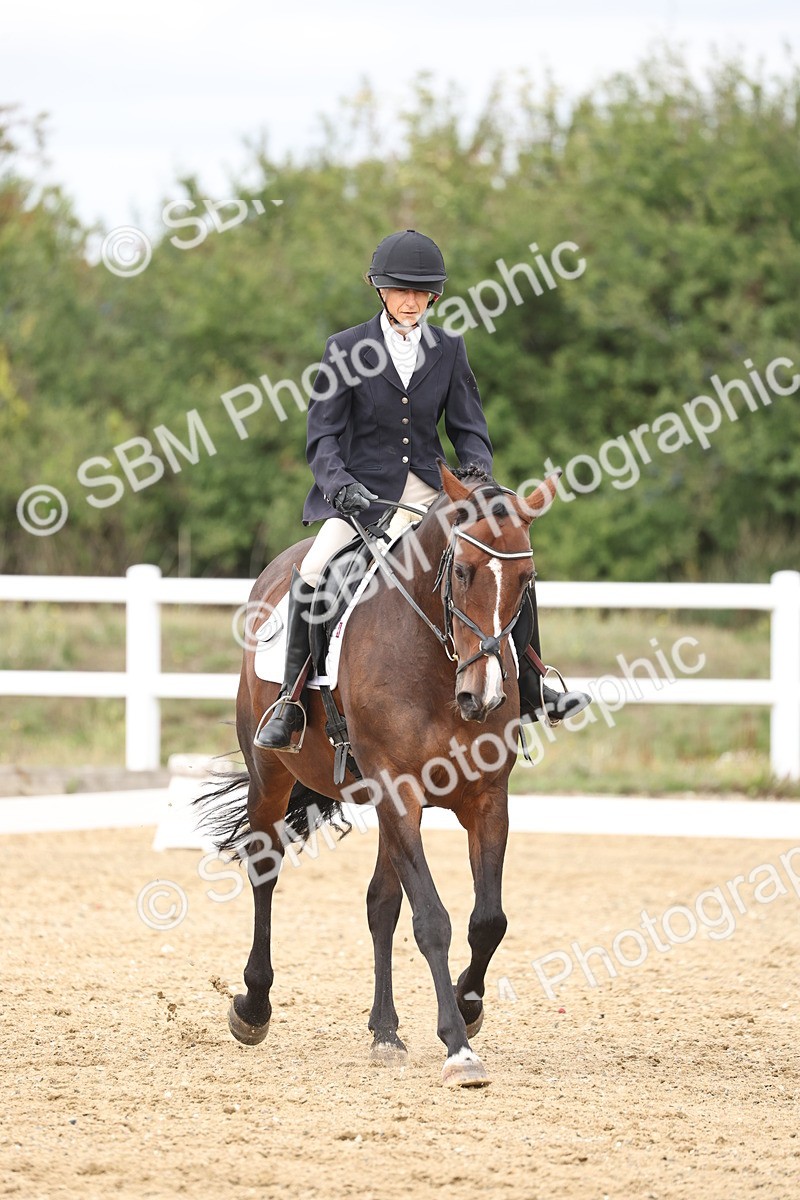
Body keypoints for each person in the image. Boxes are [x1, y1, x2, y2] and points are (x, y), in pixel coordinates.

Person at [255, 229, 590, 750]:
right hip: (363, 499)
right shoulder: (345, 348)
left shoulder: (448, 348)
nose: (410, 302)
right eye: (400, 291)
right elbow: (322, 438)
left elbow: (470, 429)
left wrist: (475, 478)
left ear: (433, 296)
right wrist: (340, 488)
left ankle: (533, 683)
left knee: (503, 560)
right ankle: (290, 701)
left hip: (433, 496)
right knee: (316, 570)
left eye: (420, 292)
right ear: (380, 290)